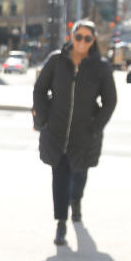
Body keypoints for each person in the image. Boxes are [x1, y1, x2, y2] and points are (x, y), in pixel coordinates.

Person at [32, 20, 118, 246]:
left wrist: (95, 126)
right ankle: (61, 223)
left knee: (79, 175)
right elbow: (40, 90)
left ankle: (76, 201)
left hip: (84, 134)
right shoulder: (56, 61)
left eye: (87, 38)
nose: (82, 42)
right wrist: (42, 120)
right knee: (59, 177)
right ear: (71, 37)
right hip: (57, 131)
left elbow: (110, 101)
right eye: (78, 37)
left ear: (93, 41)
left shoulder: (101, 67)